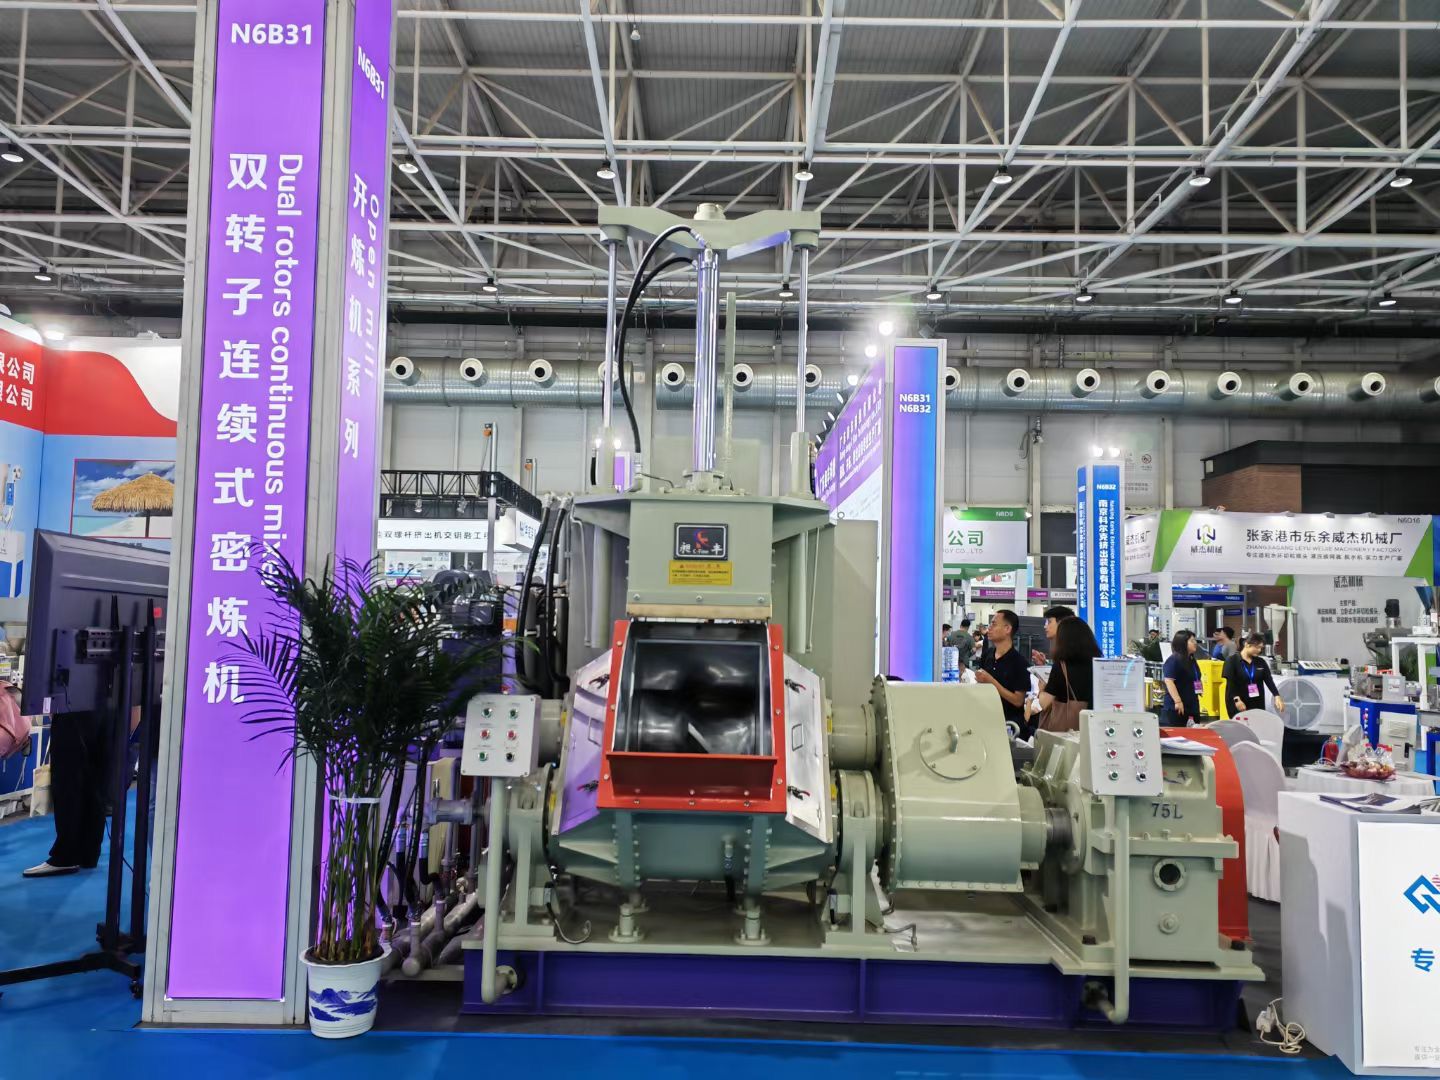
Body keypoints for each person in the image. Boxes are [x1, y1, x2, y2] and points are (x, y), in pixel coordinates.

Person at [1027, 617, 1101, 729]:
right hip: (1093, 725)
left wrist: (1041, 689)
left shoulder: (1062, 666)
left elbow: (1044, 703)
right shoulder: (1097, 664)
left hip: (1066, 728)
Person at [976, 608, 1033, 736]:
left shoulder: (1019, 662)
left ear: (1007, 629)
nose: (989, 628)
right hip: (987, 720)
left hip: (1010, 726)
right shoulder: (987, 655)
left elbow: (1018, 700)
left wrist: (991, 682)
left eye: (994, 624)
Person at [1223, 632, 1284, 716]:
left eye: (1261, 648)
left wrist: (1277, 696)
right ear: (1247, 645)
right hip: (1239, 702)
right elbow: (1231, 684)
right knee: (1241, 723)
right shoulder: (1232, 660)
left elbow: (1269, 680)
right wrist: (1237, 700)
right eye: (1257, 647)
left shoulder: (1260, 662)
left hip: (1257, 702)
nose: (1259, 650)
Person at [1161, 630, 1202, 727]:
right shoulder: (1173, 660)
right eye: (1192, 641)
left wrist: (1199, 688)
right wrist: (1178, 701)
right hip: (1177, 706)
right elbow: (1169, 681)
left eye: (1195, 640)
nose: (1195, 643)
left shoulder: (1191, 659)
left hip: (1192, 704)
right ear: (1183, 643)